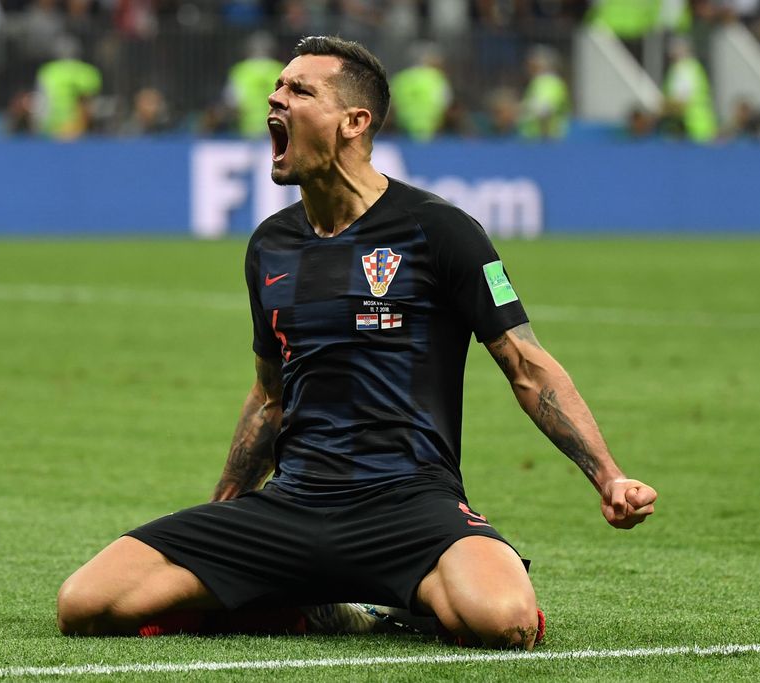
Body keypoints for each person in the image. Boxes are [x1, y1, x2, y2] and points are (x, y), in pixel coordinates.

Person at [57, 35, 657, 650]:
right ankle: (312, 607)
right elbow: (271, 396)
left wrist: (607, 476)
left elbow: (526, 365)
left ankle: (395, 599)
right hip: (293, 505)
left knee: (502, 620)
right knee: (85, 604)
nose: (276, 97)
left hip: (409, 505)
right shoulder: (270, 244)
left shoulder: (440, 229)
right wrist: (224, 513)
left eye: (299, 90)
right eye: (278, 87)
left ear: (354, 121)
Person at [662, 36, 717, 143]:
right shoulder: (692, 68)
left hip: (692, 129)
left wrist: (660, 112)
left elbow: (680, 102)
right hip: (699, 126)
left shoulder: (684, 69)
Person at [519, 44, 570, 140]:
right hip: (537, 142)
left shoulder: (548, 82)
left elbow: (544, 108)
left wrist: (545, 138)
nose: (526, 67)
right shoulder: (541, 82)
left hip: (542, 142)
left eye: (530, 64)